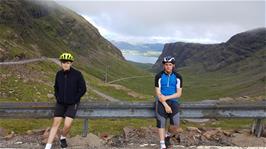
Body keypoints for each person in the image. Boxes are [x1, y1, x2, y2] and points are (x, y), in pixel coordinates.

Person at [45, 53, 86, 149]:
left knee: (67, 125)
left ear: (71, 63)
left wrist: (75, 99)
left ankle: (62, 137)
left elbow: (83, 89)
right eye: (63, 62)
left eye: (68, 62)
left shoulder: (77, 74)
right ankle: (48, 146)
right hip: (60, 103)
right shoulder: (58, 74)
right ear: (61, 63)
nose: (65, 64)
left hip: (72, 104)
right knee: (55, 123)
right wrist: (57, 97)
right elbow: (56, 87)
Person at [154, 56, 183, 149]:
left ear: (173, 65)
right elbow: (158, 93)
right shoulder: (158, 76)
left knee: (176, 124)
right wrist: (165, 104)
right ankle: (162, 145)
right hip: (161, 101)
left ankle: (168, 135)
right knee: (161, 122)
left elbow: (179, 94)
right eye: (166, 65)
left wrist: (167, 97)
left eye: (170, 65)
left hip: (173, 101)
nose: (168, 66)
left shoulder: (178, 77)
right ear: (164, 65)